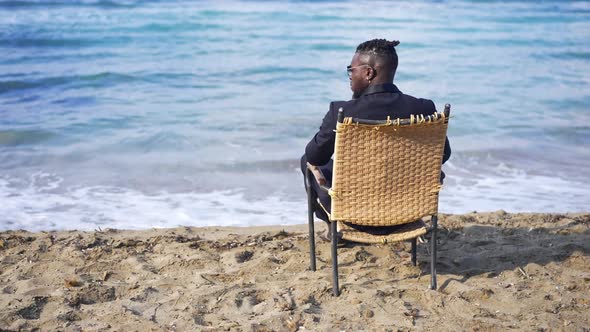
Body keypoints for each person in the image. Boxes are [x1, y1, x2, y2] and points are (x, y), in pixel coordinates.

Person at [301, 38, 451, 224]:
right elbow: (443, 154)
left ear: (368, 73)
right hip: (406, 213)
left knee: (307, 161)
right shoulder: (423, 108)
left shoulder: (342, 111)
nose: (349, 75)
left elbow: (314, 157)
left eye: (351, 70)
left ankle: (335, 227)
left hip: (353, 216)